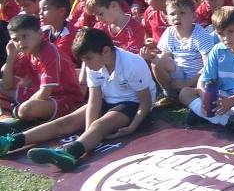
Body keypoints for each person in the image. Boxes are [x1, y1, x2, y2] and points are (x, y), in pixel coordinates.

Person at [0, 28, 154, 171]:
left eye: (88, 58)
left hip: (133, 103)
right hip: (108, 100)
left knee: (100, 125)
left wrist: (132, 127)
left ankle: (70, 153)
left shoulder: (132, 63)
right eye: (82, 60)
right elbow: (94, 100)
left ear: (106, 51)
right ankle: (12, 141)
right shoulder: (94, 65)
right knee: (65, 122)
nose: (85, 64)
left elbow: (145, 101)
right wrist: (87, 132)